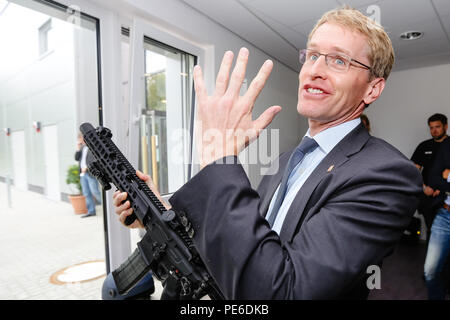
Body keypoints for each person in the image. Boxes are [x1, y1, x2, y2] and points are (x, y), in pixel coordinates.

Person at [113, 7, 422, 299]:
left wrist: (221, 158)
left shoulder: (388, 174)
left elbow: (284, 290)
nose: (315, 70)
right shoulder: (287, 160)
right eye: (312, 55)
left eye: (339, 61)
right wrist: (158, 211)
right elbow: (243, 237)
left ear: (372, 88)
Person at [411, 113, 448, 238]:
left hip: (446, 197)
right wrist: (423, 188)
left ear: (445, 127)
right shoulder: (424, 146)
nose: (434, 131)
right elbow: (414, 171)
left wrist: (442, 188)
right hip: (427, 196)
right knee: (432, 231)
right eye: (431, 127)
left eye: (437, 127)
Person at [423, 137, 450, 299]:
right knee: (430, 270)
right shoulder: (448, 145)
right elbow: (433, 178)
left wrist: (448, 175)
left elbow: (441, 179)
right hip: (445, 215)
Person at [75, 132, 102, 218]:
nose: (81, 140)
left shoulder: (93, 147)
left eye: (81, 138)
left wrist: (86, 167)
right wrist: (78, 149)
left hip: (90, 173)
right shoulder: (82, 148)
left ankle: (107, 208)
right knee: (86, 193)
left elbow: (95, 159)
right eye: (79, 139)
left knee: (95, 192)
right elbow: (76, 158)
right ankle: (91, 211)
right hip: (82, 174)